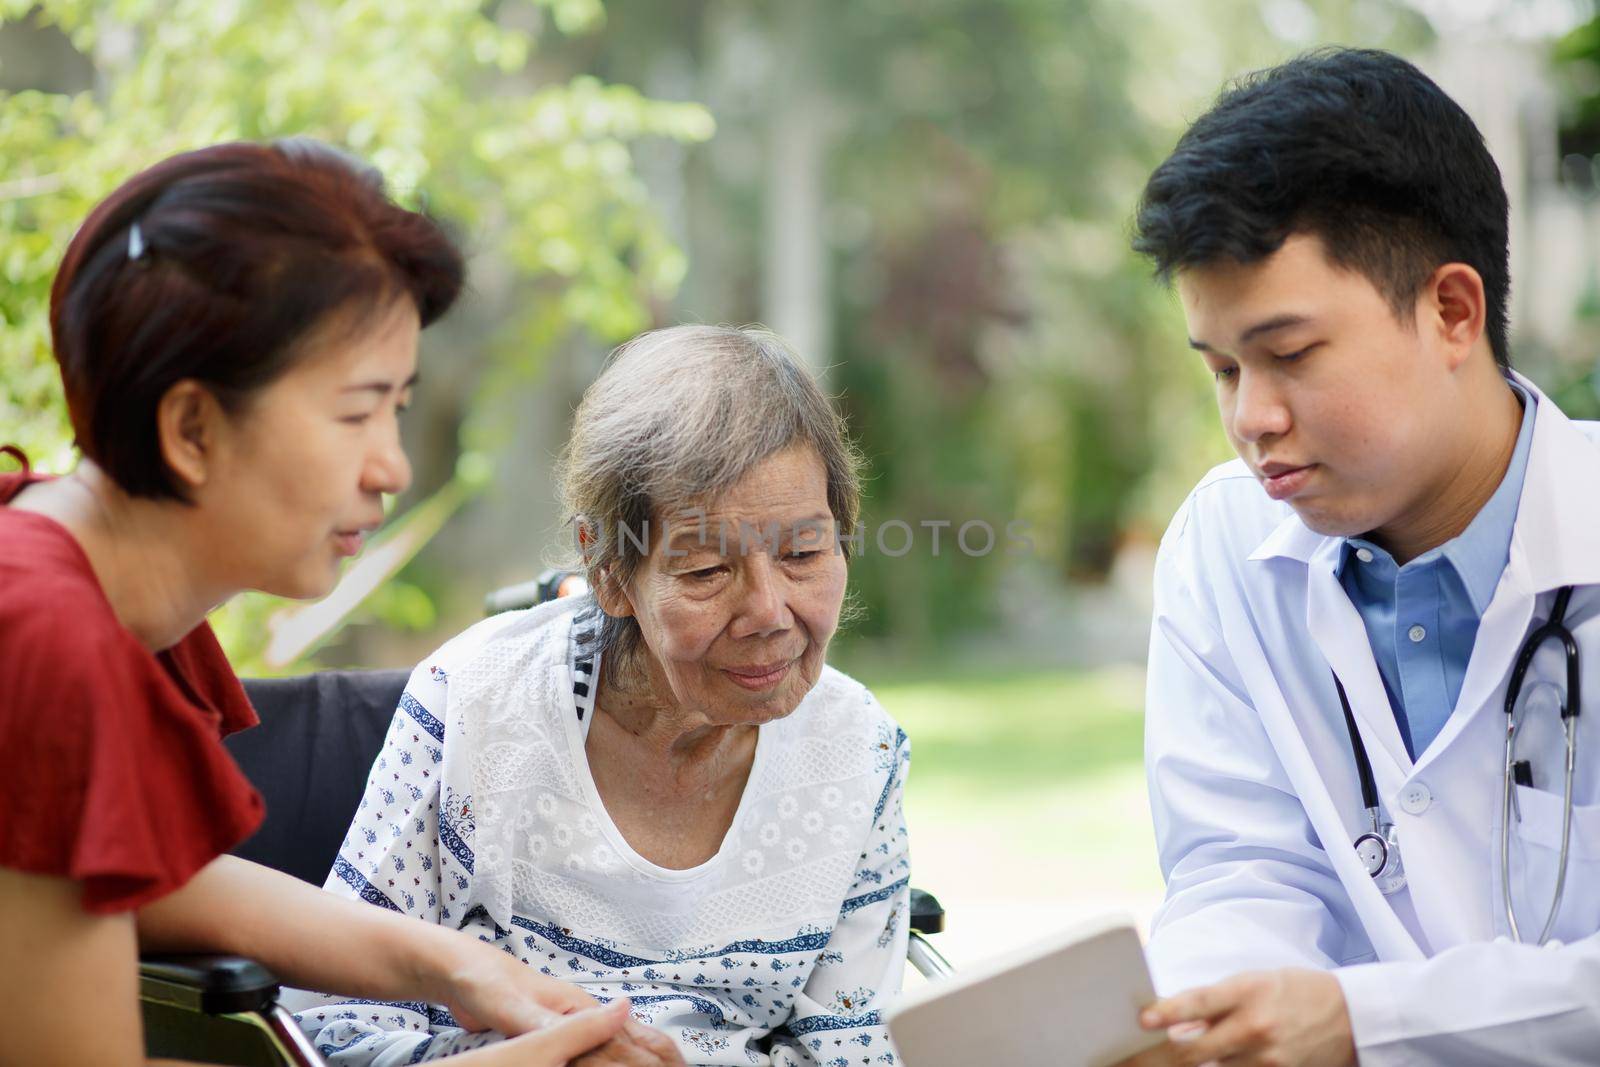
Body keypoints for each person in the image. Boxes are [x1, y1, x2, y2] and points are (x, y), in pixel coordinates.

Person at [0, 139, 678, 1067]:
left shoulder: (57, 564)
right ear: (191, 427)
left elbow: (95, 877)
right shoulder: (42, 642)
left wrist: (458, 966)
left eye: (397, 407)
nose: (391, 467)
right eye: (355, 412)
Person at [1113, 48, 1600, 1067]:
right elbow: (1236, 867)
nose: (1251, 417)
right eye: (1221, 368)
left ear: (1451, 312)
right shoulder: (1222, 545)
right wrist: (1219, 1018)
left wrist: (1364, 1021)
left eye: (1289, 354)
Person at [288, 325, 912, 1066]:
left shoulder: (858, 749)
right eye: (708, 570)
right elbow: (322, 1030)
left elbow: (851, 1051)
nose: (770, 613)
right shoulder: (476, 703)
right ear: (610, 572)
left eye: (805, 553)